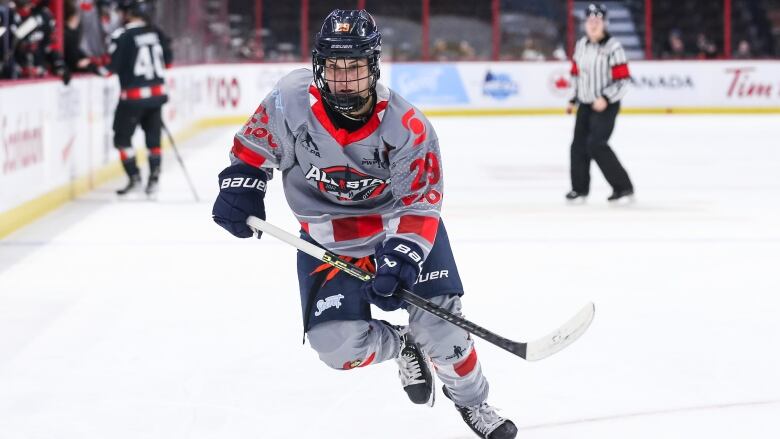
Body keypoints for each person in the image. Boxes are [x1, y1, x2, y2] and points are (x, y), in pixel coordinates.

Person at [211, 9, 518, 439]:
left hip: (398, 232)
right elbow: (254, 147)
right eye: (334, 68)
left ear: (373, 66)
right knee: (335, 347)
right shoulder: (291, 99)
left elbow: (421, 202)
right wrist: (242, 185)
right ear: (319, 66)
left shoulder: (407, 127)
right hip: (326, 243)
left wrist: (403, 256)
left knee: (443, 334)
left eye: (353, 67)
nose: (343, 79)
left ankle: (474, 403)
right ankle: (402, 345)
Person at [566, 3, 634, 203]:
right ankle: (579, 189)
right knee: (578, 146)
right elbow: (576, 75)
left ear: (605, 23)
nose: (593, 24)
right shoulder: (581, 46)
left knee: (596, 144)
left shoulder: (614, 48)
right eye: (590, 21)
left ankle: (623, 187)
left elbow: (623, 80)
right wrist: (573, 98)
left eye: (597, 21)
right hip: (585, 104)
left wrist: (606, 98)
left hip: (606, 105)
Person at [108, 0, 172, 196]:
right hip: (156, 96)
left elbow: (111, 68)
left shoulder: (123, 35)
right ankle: (154, 179)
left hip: (132, 99)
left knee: (122, 139)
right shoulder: (157, 32)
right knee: (153, 140)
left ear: (128, 13)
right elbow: (168, 62)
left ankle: (134, 177)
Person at [13, 0, 69, 83]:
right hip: (16, 73)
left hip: (38, 73)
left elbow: (50, 46)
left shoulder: (45, 15)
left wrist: (58, 64)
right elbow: (9, 46)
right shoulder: (11, 14)